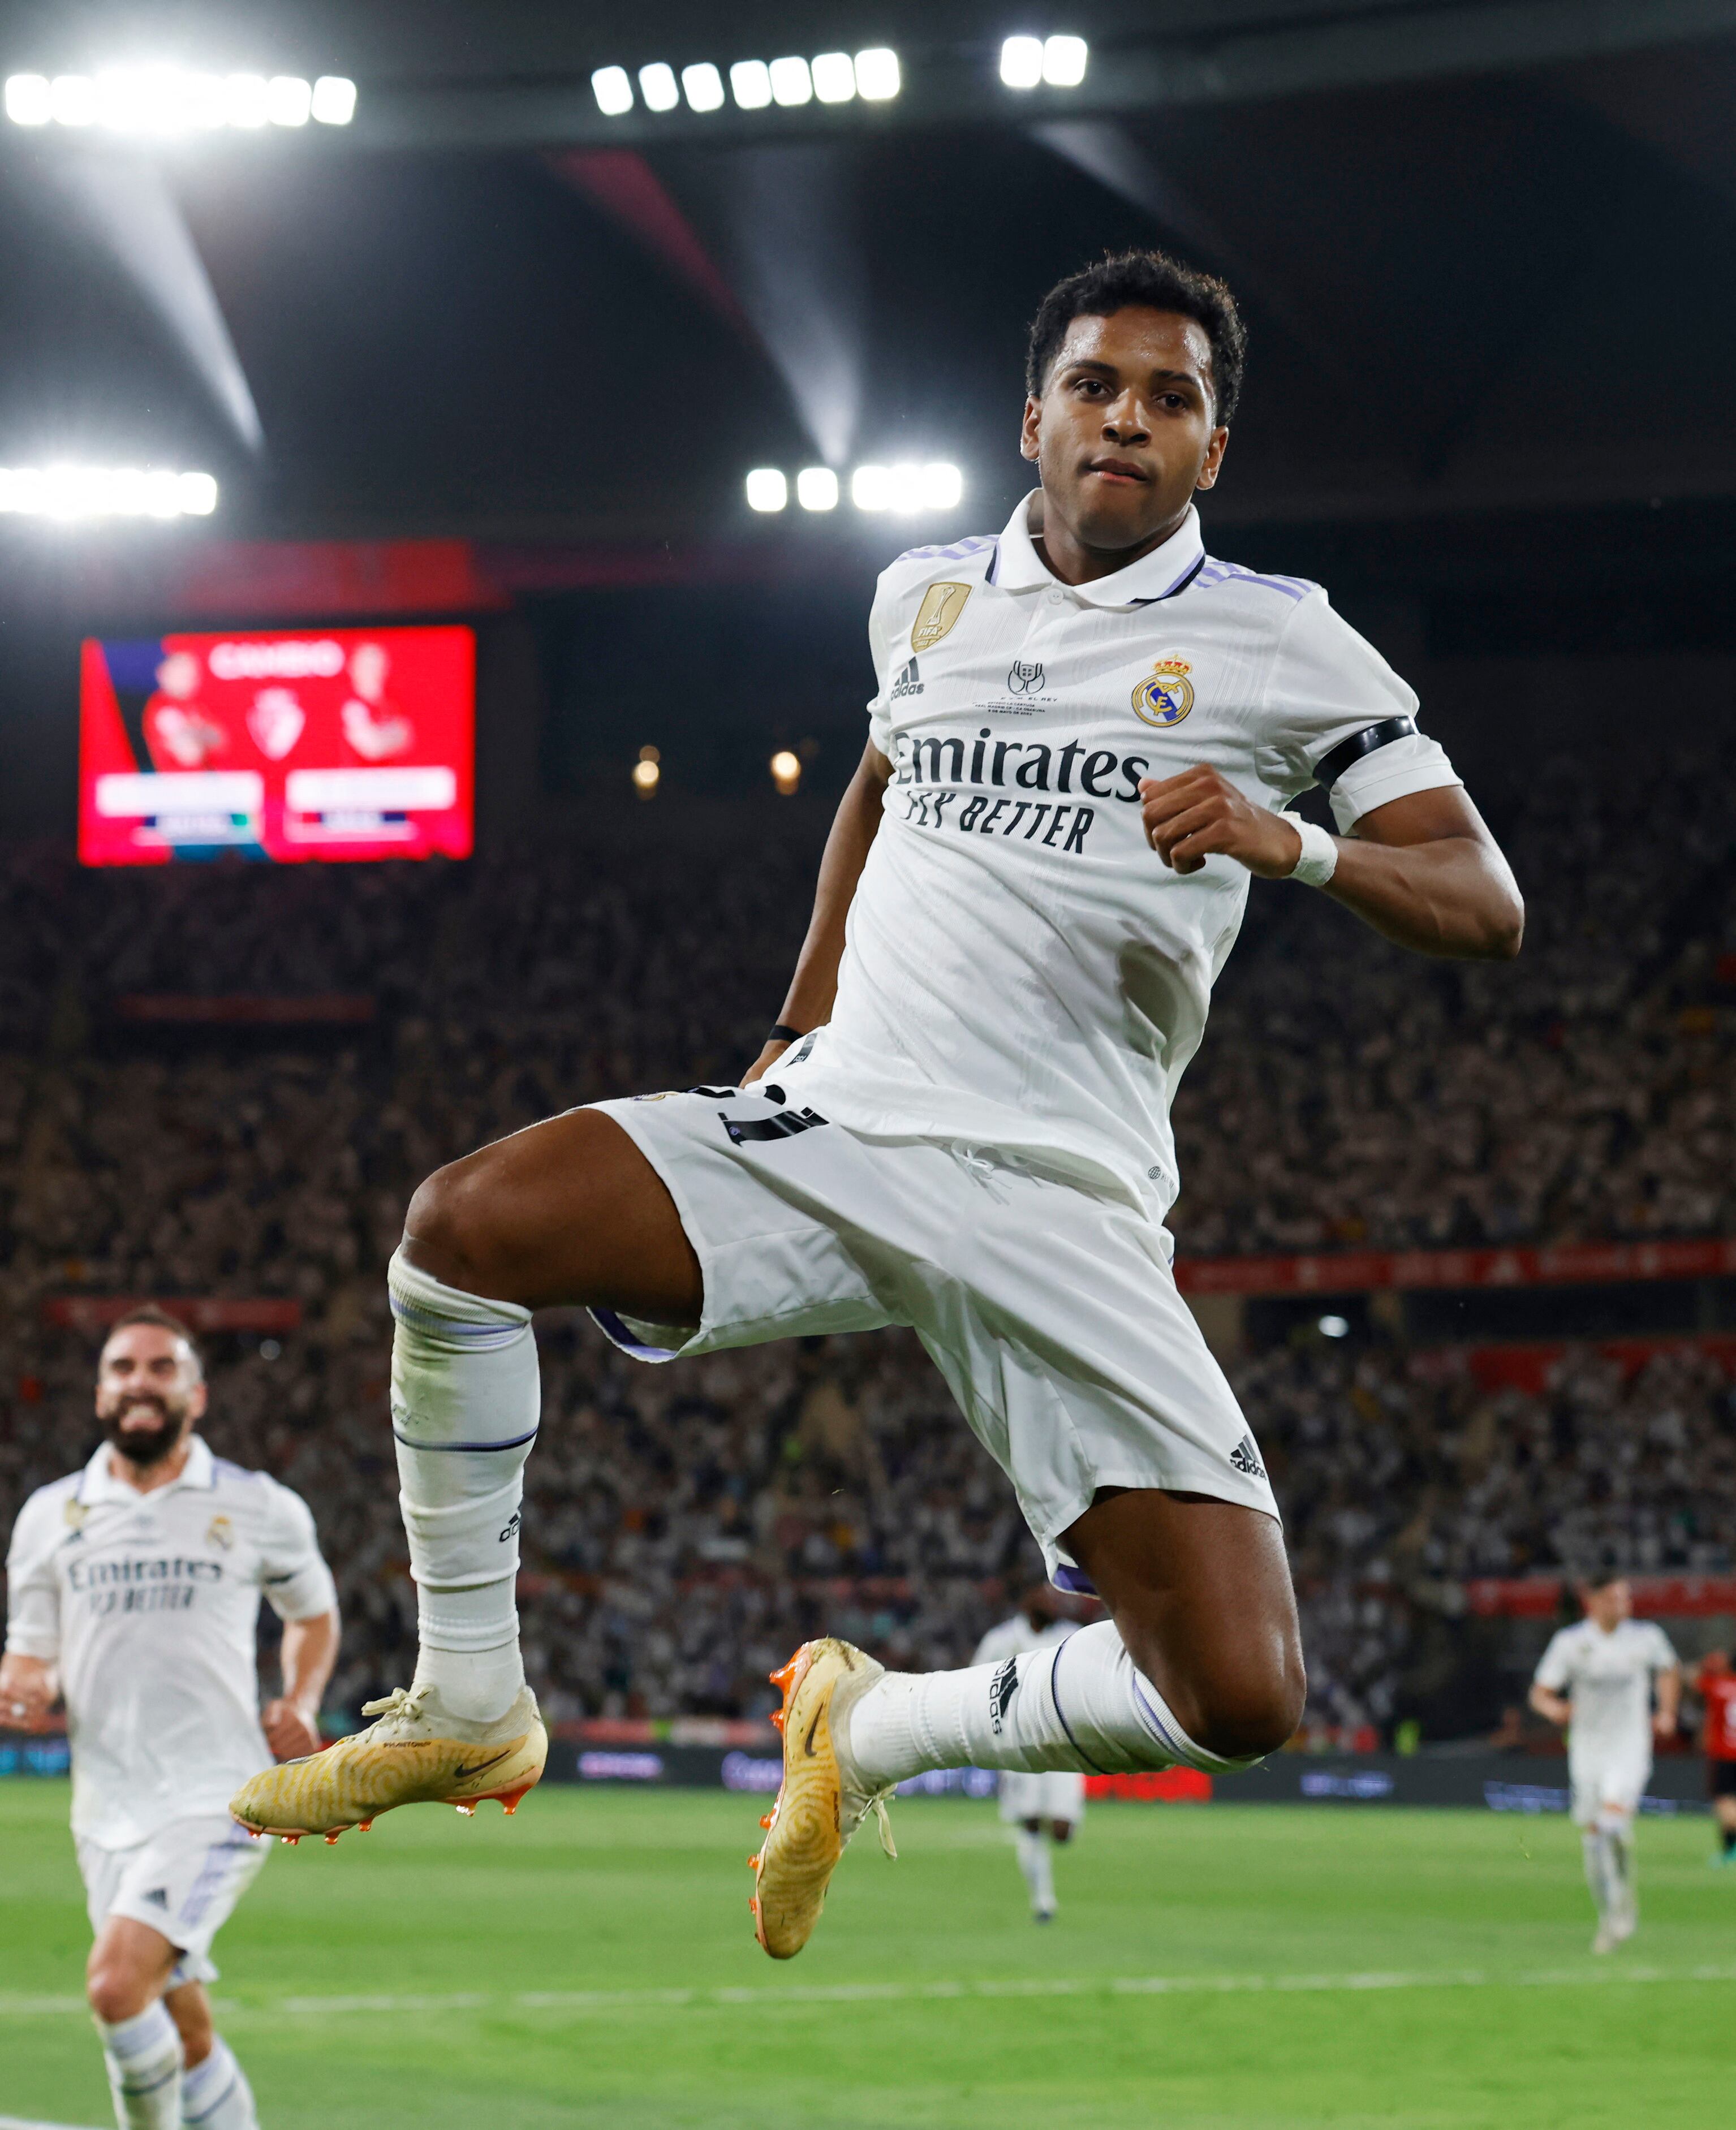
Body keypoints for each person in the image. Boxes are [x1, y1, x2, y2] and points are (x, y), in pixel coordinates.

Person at [230, 247, 1522, 1964]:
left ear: (1216, 450)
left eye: (1172, 398)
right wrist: (798, 1015)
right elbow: (879, 777)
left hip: (1068, 1197)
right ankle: (474, 1700)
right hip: (847, 1126)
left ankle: (876, 1726)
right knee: (462, 1232)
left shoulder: (1283, 641)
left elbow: (1483, 895)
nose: (1126, 417)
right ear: (1033, 417)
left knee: (1241, 1692)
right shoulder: (921, 592)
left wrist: (1293, 840)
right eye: (1095, 385)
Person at [2, 1308, 339, 2130]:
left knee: (116, 1985)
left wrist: (298, 1701)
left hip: (219, 1794)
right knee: (181, 2030)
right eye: (123, 1368)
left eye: (160, 1367)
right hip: (105, 1809)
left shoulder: (258, 1504)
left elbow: (313, 1614)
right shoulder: (51, 1514)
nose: (140, 1382)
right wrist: (26, 1677)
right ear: (99, 1393)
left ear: (197, 1393)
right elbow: (30, 1647)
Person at [1528, 1574, 1681, 1954]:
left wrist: (1666, 1711)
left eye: (1625, 1597)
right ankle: (1610, 1912)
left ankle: (1623, 1904)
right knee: (1594, 1839)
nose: (1622, 1605)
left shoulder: (1645, 1638)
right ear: (1591, 1601)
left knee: (1610, 1822)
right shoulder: (1571, 1643)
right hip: (1587, 1750)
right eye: (1613, 1598)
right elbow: (1540, 1692)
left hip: (1629, 1747)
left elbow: (1669, 1669)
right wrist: (1555, 1709)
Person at [972, 1588, 1086, 1921]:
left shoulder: (1070, 1636)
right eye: (1046, 1600)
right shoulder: (1002, 1640)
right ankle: (1043, 1901)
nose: (1054, 1605)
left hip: (1065, 1743)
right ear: (1028, 1605)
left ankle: (1044, 1887)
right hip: (1019, 1745)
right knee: (1032, 1822)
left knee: (1062, 1831)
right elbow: (976, 1678)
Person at [1690, 1649, 1736, 1866]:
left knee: (1725, 1804)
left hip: (1726, 1754)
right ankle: (1729, 1851)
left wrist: (1708, 1665)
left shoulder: (1718, 1685)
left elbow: (1691, 1679)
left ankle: (1730, 1851)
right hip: (1726, 1754)